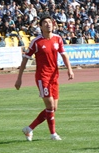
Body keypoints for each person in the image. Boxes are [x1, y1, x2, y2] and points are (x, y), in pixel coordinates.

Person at [15, 13, 75, 141]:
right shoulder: (36, 42)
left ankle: (29, 129)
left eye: (50, 22)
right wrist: (19, 78)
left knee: (53, 108)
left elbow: (64, 55)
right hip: (43, 77)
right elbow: (25, 60)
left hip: (54, 77)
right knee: (50, 106)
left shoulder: (58, 39)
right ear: (41, 26)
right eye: (45, 23)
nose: (48, 24)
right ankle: (53, 134)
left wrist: (69, 69)